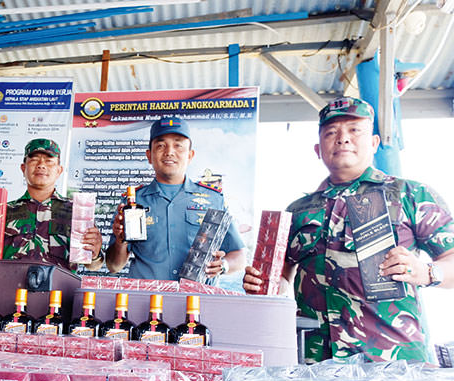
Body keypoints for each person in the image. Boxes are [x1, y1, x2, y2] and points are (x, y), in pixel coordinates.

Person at [243, 96, 454, 363]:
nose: (343, 138)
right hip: (314, 360)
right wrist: (265, 285)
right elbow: (282, 277)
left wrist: (427, 272)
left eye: (354, 130)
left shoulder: (411, 195)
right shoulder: (297, 210)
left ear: (374, 143)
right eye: (331, 132)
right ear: (318, 149)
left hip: (392, 360)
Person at [106, 116, 246, 281]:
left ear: (190, 155)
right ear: (149, 156)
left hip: (196, 296)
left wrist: (224, 265)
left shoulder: (213, 199)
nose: (169, 152)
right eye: (161, 145)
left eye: (178, 145)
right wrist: (121, 241)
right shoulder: (132, 202)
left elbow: (239, 255)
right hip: (147, 296)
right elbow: (114, 266)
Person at [0, 138, 104, 272]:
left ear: (59, 170)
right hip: (9, 283)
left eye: (49, 161)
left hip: (58, 285)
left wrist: (95, 253)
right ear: (23, 168)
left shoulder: (76, 212)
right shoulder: (2, 212)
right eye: (34, 160)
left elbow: (93, 266)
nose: (41, 165)